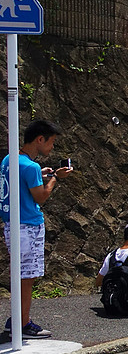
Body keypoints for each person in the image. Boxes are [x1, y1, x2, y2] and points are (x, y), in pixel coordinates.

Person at [2, 119, 72, 339]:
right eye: (50, 142)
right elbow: (40, 196)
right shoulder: (30, 166)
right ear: (40, 139)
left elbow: (20, 182)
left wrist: (41, 175)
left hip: (12, 224)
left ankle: (18, 319)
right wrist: (53, 178)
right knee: (27, 277)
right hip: (27, 225)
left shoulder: (9, 159)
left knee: (21, 275)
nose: (51, 147)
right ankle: (22, 324)